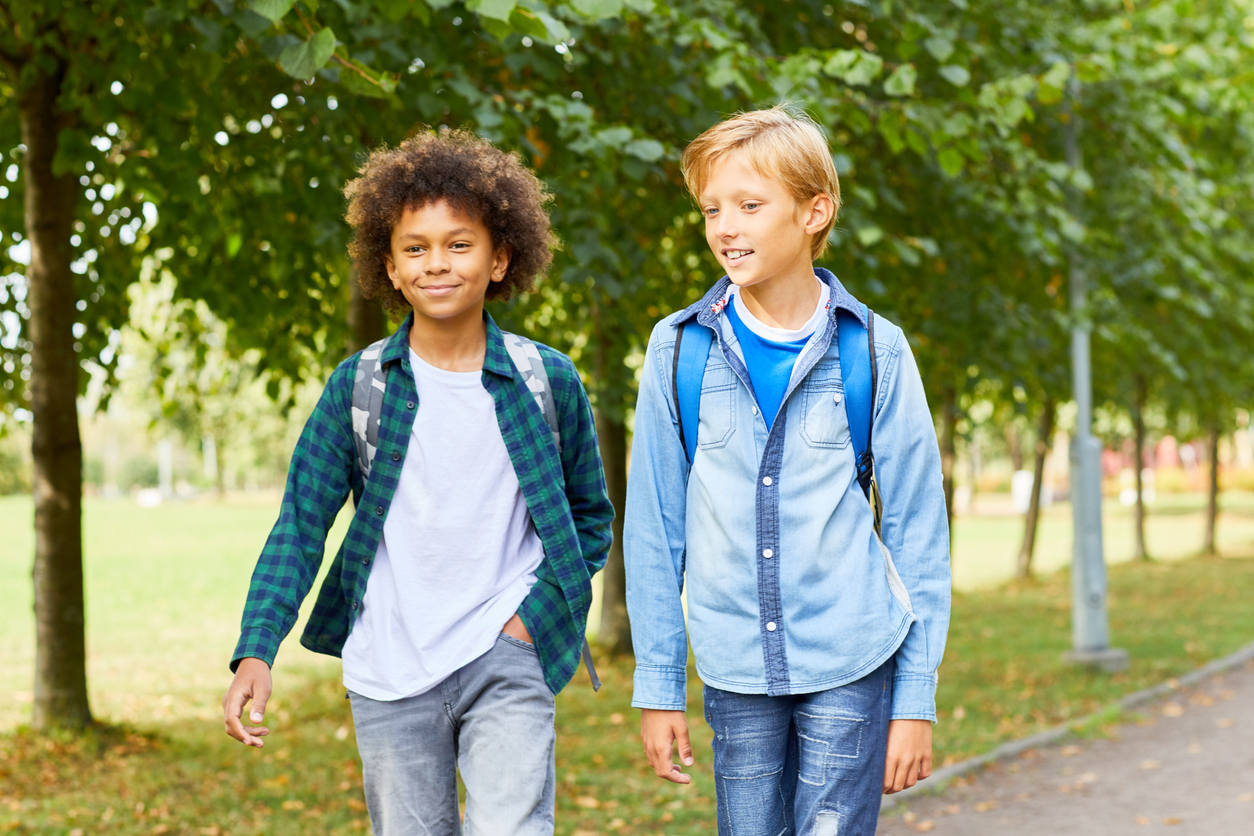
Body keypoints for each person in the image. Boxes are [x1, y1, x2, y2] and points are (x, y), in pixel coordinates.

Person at [221, 130, 613, 836]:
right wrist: (258, 645)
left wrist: (528, 626)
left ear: (501, 259)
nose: (438, 264)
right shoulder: (360, 386)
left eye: (460, 245)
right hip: (389, 667)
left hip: (506, 652)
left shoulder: (544, 380)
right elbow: (302, 524)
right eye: (416, 248)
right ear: (391, 268)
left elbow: (590, 518)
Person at [624, 106, 951, 835]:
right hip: (735, 667)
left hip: (851, 655)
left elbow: (917, 533)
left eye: (748, 205)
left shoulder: (875, 350)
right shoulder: (678, 350)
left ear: (814, 210)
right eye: (712, 209)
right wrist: (659, 686)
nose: (724, 227)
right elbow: (654, 528)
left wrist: (915, 700)